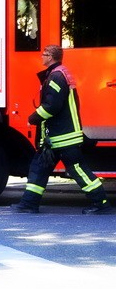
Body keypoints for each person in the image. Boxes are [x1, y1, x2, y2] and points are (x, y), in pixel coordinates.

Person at [11, 44, 112, 214]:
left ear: (50, 56)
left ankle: (101, 203)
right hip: (57, 137)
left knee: (78, 170)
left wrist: (33, 117)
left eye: (44, 54)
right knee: (39, 167)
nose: (41, 57)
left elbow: (52, 106)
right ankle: (29, 203)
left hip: (64, 137)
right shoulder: (58, 73)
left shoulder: (56, 76)